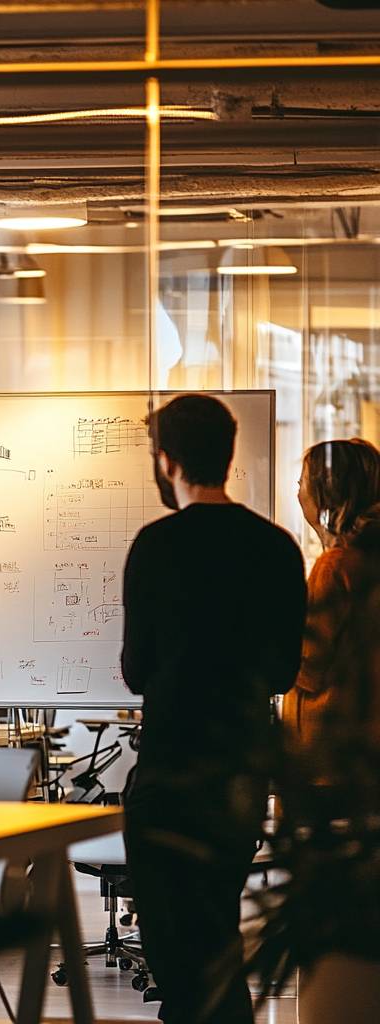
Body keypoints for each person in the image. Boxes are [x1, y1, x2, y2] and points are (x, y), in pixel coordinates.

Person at [120, 394, 307, 1024]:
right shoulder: (277, 547)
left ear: (167, 460)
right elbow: (284, 670)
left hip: (171, 762)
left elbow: (136, 670)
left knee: (174, 945)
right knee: (215, 929)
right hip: (240, 766)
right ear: (228, 456)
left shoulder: (155, 545)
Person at [284, 438, 380, 762]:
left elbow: (307, 667)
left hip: (326, 750)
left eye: (303, 481)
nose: (298, 491)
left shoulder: (334, 567)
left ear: (327, 492)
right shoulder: (366, 558)